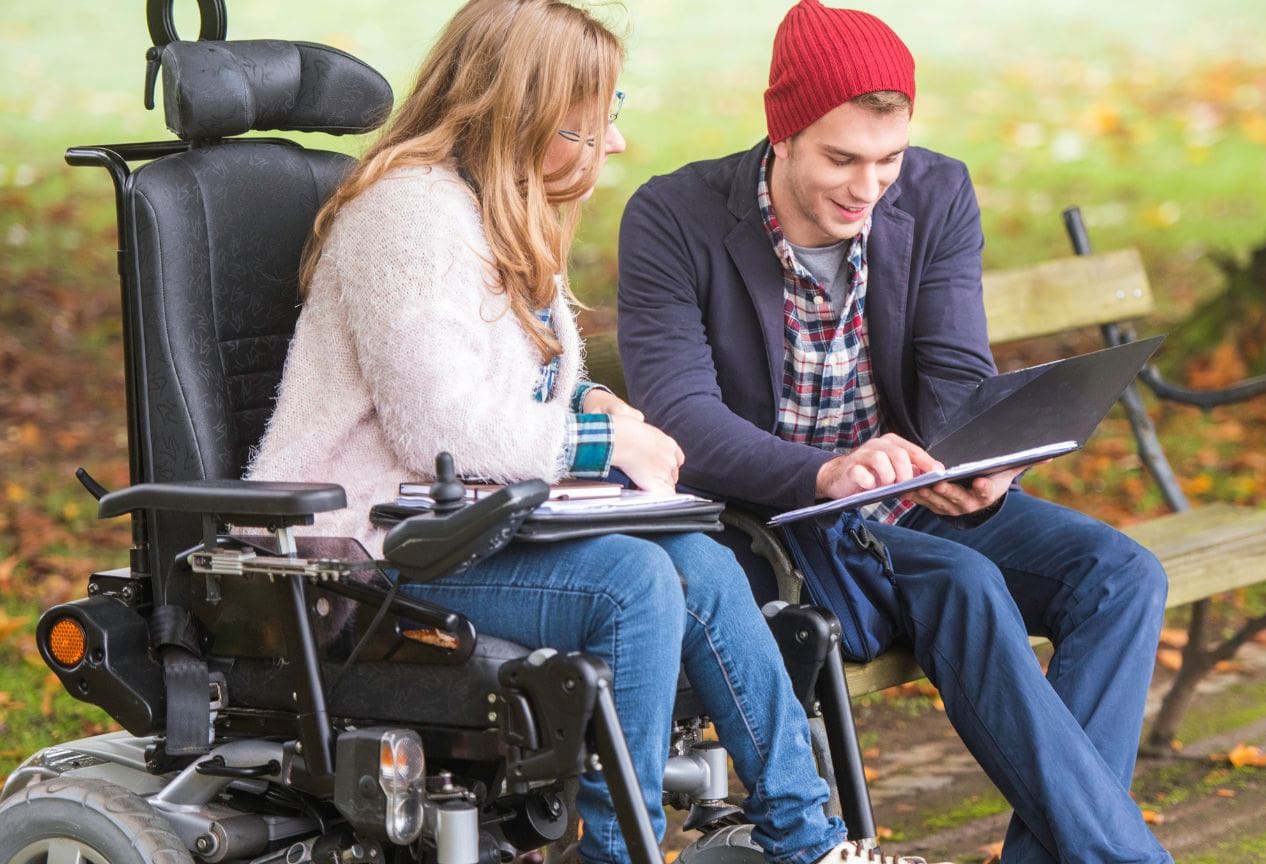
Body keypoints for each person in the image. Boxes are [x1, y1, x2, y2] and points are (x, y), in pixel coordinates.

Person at [244, 3, 927, 864]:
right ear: (527, 116)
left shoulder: (501, 207)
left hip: (466, 527)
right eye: (596, 120)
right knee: (631, 582)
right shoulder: (407, 215)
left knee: (704, 565)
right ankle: (612, 854)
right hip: (360, 550)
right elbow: (438, 427)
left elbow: (512, 379)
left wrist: (595, 403)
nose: (615, 142)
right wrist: (600, 449)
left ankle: (810, 842)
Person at [616, 2, 1172, 862]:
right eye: (841, 158)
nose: (866, 187)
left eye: (887, 160)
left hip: (909, 493)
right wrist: (829, 472)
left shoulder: (936, 190)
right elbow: (682, 419)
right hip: (780, 520)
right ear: (783, 132)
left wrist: (985, 461)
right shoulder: (674, 218)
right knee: (966, 581)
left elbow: (954, 374)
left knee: (1121, 574)